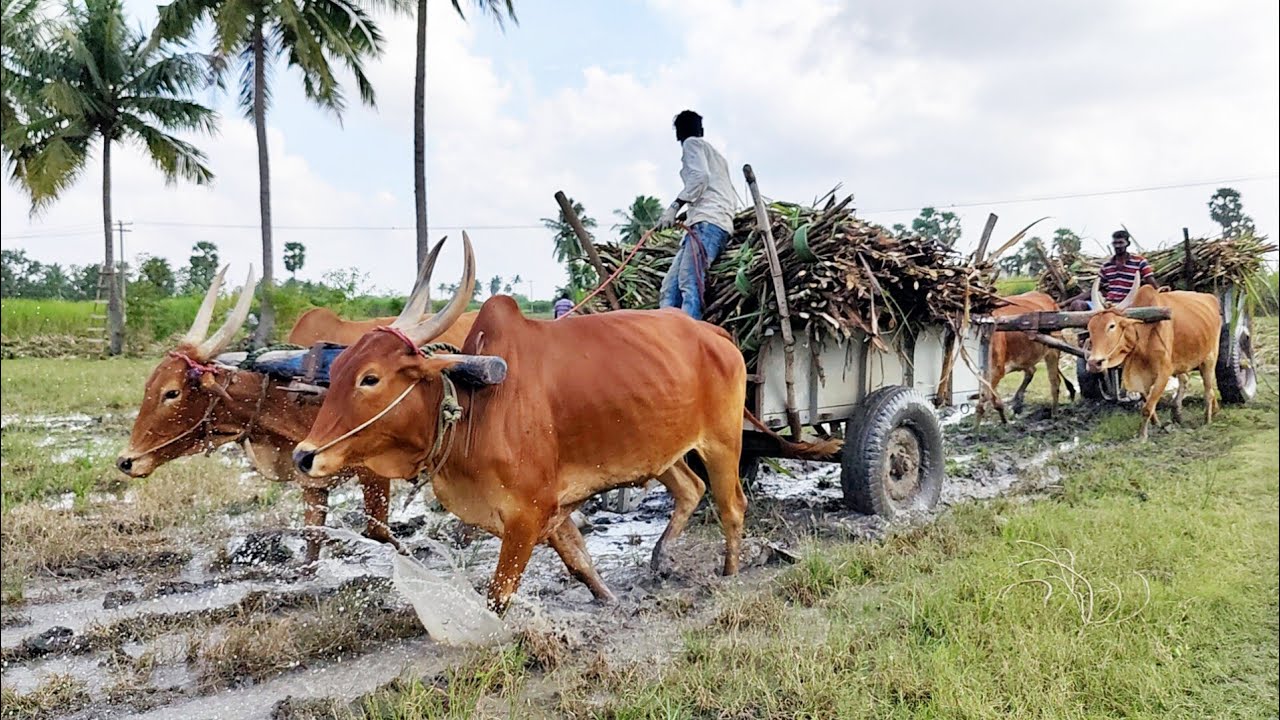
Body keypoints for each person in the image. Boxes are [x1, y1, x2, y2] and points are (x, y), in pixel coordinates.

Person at [655, 110, 737, 320]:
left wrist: (675, 205)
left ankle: (688, 338)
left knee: (688, 281)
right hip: (709, 221)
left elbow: (700, 177)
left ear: (678, 133)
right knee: (669, 289)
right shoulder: (716, 155)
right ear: (701, 129)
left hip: (707, 223)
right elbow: (712, 189)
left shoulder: (691, 144)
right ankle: (667, 334)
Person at [1066, 230, 1158, 311]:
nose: (1117, 246)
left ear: (1128, 244)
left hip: (1130, 305)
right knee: (1077, 304)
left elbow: (1151, 283)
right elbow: (1094, 289)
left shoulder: (1140, 262)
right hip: (1108, 305)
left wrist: (1161, 294)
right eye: (1115, 243)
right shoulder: (1106, 266)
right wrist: (1064, 303)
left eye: (1121, 243)